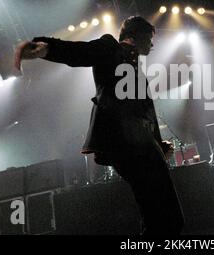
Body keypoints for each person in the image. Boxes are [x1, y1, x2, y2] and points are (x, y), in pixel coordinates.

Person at [15, 16, 184, 235]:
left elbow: (145, 112)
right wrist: (47, 48)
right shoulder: (109, 46)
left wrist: (158, 144)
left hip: (141, 144)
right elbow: (79, 52)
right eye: (150, 39)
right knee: (162, 211)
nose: (152, 45)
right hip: (124, 143)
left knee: (161, 213)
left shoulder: (134, 67)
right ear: (138, 36)